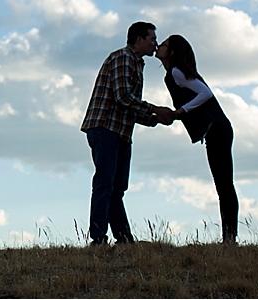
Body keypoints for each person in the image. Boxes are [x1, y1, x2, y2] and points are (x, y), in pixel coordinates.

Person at [80, 21, 174, 245]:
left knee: (116, 188)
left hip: (119, 131)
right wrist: (155, 110)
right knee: (105, 184)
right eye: (152, 39)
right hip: (105, 128)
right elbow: (123, 96)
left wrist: (154, 119)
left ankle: (122, 238)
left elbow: (129, 105)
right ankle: (99, 238)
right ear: (139, 40)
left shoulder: (136, 63)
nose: (155, 43)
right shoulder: (123, 58)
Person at [156, 34, 238, 243]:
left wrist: (182, 110)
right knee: (224, 184)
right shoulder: (173, 74)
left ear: (172, 51)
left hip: (216, 129)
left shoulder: (176, 72)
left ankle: (230, 237)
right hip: (217, 130)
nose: (159, 46)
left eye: (164, 44)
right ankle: (229, 236)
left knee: (224, 184)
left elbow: (205, 93)